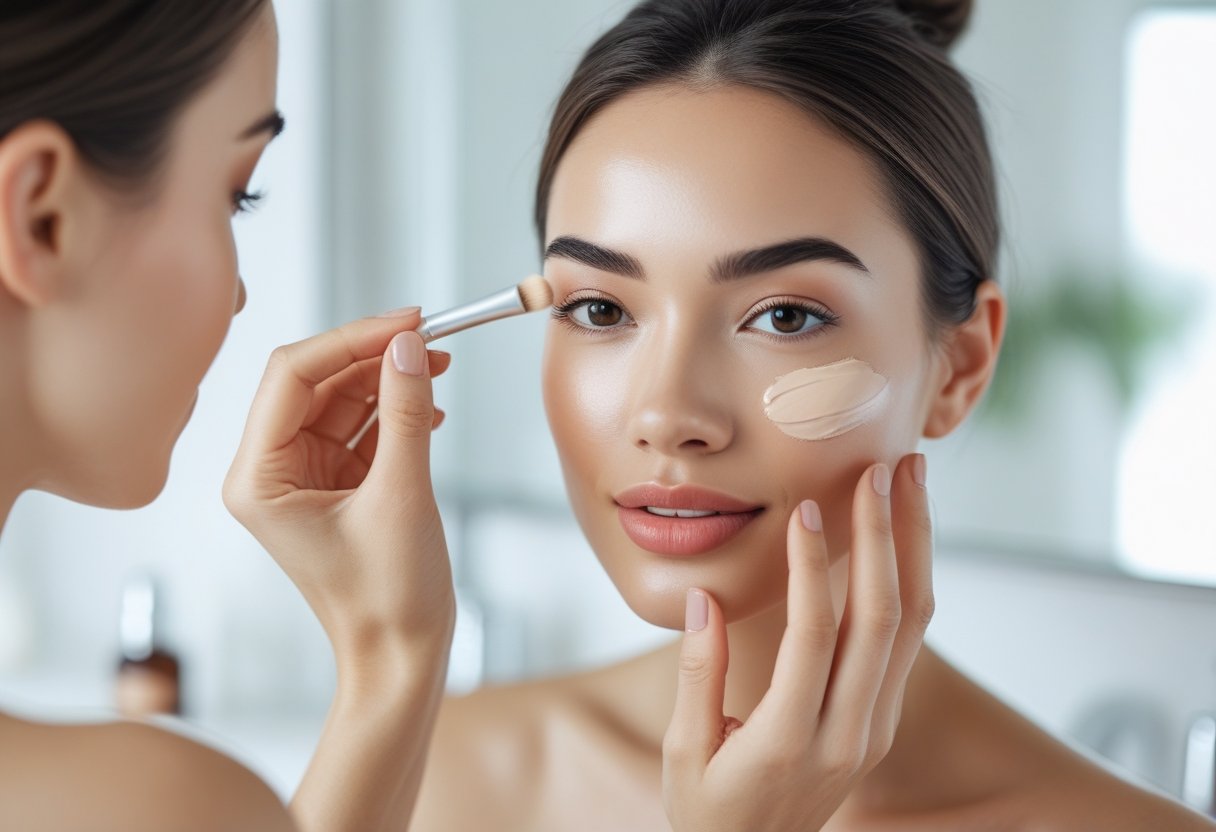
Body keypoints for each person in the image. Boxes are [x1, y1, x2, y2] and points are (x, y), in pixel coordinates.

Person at [408, 1, 1216, 829]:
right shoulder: (450, 775)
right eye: (602, 310)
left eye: (785, 316)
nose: (668, 414)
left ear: (960, 366)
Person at [0, 3, 454, 831]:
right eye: (234, 194)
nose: (242, 294)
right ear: (41, 216)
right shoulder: (151, 806)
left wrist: (394, 653)